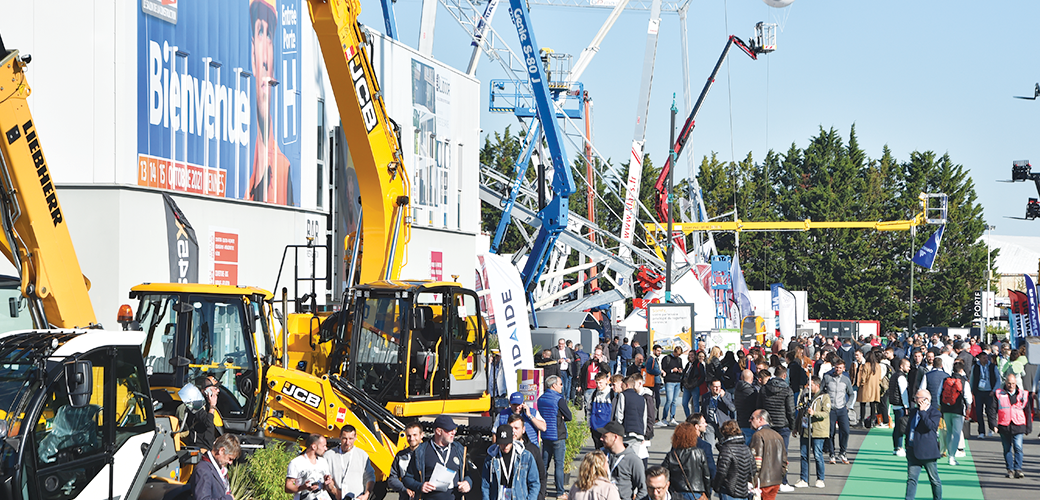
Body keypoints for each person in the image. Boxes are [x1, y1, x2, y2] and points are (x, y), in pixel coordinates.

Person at [249, 0, 293, 205]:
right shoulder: (244, 174)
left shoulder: (284, 170)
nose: (265, 58)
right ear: (252, 54)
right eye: (260, 32)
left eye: (269, 35)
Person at [401, 416, 474, 500]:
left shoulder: (459, 449)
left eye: (454, 429)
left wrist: (468, 483)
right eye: (449, 430)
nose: (453, 432)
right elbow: (407, 478)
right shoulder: (421, 451)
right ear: (438, 431)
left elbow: (467, 474)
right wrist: (420, 486)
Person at [756, 365, 794, 491]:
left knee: (767, 453)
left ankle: (767, 480)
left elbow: (759, 407)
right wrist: (793, 426)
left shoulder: (764, 389)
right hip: (783, 425)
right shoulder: (787, 390)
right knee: (783, 454)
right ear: (784, 376)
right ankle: (783, 481)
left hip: (768, 425)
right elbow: (790, 411)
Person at [481, 425, 540, 500]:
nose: (504, 446)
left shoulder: (526, 456)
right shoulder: (491, 459)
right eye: (501, 443)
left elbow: (534, 483)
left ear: (512, 440)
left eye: (507, 443)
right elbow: (485, 485)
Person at [991, 373, 1032, 478]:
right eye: (1009, 383)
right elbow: (992, 410)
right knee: (1007, 449)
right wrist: (993, 424)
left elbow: (1028, 412)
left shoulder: (1023, 394)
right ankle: (1010, 470)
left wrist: (1028, 427)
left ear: (1016, 383)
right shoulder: (999, 394)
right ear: (1005, 382)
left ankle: (1018, 469)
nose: (1011, 385)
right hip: (1004, 425)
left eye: (1013, 383)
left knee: (1018, 448)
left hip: (1019, 425)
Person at [538, 375, 572, 497]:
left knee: (544, 464)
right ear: (554, 385)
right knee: (559, 464)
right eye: (560, 384)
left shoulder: (541, 399)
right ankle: (560, 492)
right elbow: (569, 416)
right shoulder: (558, 399)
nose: (562, 387)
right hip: (558, 434)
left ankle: (542, 490)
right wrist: (561, 416)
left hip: (545, 434)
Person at [904, 390, 942, 500]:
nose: (915, 399)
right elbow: (909, 428)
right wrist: (907, 444)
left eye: (917, 397)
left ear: (925, 399)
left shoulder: (934, 413)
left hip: (927, 452)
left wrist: (923, 412)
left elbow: (930, 427)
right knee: (911, 479)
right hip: (912, 450)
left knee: (934, 480)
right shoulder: (913, 411)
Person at [794, 376, 829, 489]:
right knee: (804, 455)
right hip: (805, 429)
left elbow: (826, 413)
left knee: (818, 455)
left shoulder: (824, 397)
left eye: (811, 385)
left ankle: (820, 478)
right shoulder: (804, 396)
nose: (808, 387)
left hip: (818, 430)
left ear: (817, 385)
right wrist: (796, 427)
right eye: (808, 385)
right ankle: (804, 478)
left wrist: (815, 413)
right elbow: (800, 413)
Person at [597, 421, 647, 500]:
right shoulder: (601, 455)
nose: (601, 438)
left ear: (615, 437)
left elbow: (643, 489)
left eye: (605, 436)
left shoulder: (633, 460)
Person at [660, 422, 711, 500]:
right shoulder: (699, 453)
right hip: (696, 492)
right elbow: (706, 476)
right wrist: (707, 493)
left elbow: (663, 474)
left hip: (677, 493)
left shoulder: (672, 455)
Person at [327, 425, 375, 500]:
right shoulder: (329, 455)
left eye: (351, 439)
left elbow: (370, 477)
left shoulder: (362, 455)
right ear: (340, 437)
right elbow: (325, 478)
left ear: (355, 438)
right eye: (344, 438)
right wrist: (335, 491)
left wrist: (366, 495)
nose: (347, 442)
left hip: (356, 497)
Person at [748, 410, 787, 500]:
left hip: (762, 482)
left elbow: (756, 461)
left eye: (752, 418)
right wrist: (780, 476)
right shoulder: (778, 435)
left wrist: (753, 481)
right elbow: (784, 461)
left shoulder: (758, 435)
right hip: (776, 481)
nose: (750, 420)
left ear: (761, 419)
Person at [938, 360, 971, 465]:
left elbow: (939, 394)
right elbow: (968, 398)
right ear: (961, 370)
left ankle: (948, 453)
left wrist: (941, 407)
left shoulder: (945, 380)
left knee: (949, 432)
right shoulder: (964, 381)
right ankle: (952, 456)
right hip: (958, 409)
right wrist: (968, 408)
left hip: (946, 409)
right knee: (956, 433)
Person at [712, 420, 755, 500]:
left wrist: (716, 486)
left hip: (729, 490)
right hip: (743, 490)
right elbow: (753, 469)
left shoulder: (727, 449)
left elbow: (721, 472)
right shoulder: (746, 448)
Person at [190, 434, 241, 500]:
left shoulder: (219, 469)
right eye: (230, 458)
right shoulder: (203, 470)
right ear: (221, 451)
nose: (230, 463)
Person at [822, 358, 853, 464]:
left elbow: (851, 393)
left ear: (844, 369)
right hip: (830, 409)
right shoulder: (827, 378)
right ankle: (832, 454)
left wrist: (848, 405)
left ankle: (842, 452)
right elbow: (821, 391)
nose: (838, 369)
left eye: (840, 368)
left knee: (846, 431)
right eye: (836, 367)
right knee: (830, 433)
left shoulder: (845, 379)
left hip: (842, 409)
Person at [509, 415, 547, 500]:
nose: (513, 431)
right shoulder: (503, 450)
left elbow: (542, 476)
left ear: (523, 430)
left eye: (516, 428)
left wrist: (540, 496)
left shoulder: (532, 449)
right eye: (511, 428)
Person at [286, 434, 335, 500]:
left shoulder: (323, 462)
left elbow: (330, 487)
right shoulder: (296, 462)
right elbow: (287, 487)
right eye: (323, 446)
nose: (326, 448)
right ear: (314, 446)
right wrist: (302, 487)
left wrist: (328, 482)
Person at [389, 423, 425, 500]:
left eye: (415, 435)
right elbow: (392, 478)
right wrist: (404, 489)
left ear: (422, 435)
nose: (411, 438)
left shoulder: (428, 454)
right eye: (409, 435)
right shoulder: (400, 455)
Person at [971, 351, 1000, 438]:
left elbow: (998, 379)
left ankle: (991, 428)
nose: (986, 359)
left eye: (987, 358)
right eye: (984, 358)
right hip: (979, 391)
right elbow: (972, 378)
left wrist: (994, 390)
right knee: (979, 412)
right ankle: (981, 432)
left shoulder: (992, 367)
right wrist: (972, 390)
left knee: (990, 411)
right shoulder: (975, 367)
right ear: (979, 358)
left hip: (989, 391)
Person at [700, 379, 735, 447]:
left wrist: (723, 397)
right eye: (715, 386)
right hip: (710, 424)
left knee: (724, 447)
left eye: (719, 386)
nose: (717, 389)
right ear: (710, 387)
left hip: (722, 424)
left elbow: (732, 408)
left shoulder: (727, 395)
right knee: (708, 446)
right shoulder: (706, 397)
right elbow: (703, 411)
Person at [889, 358, 911, 457]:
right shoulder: (901, 377)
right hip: (900, 405)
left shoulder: (894, 376)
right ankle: (899, 447)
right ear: (901, 366)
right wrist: (906, 406)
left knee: (898, 426)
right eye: (907, 366)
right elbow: (903, 393)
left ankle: (896, 447)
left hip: (894, 404)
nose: (909, 368)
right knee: (901, 427)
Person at [685, 413, 716, 480]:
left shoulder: (678, 443)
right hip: (700, 484)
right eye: (703, 423)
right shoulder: (705, 446)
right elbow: (711, 468)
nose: (706, 424)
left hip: (680, 484)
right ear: (696, 426)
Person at [734, 369, 759, 445]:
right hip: (749, 421)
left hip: (740, 420)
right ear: (752, 379)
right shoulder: (751, 391)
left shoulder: (737, 389)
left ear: (741, 377)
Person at [662, 346, 686, 426]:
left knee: (674, 401)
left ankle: (672, 417)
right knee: (669, 400)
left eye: (679, 355)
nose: (678, 356)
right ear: (674, 352)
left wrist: (680, 370)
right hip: (669, 381)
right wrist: (672, 370)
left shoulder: (679, 360)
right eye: (677, 354)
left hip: (677, 381)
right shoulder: (667, 358)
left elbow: (681, 368)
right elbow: (663, 369)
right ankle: (664, 418)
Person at [588, 373, 614, 444]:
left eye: (600, 383)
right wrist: (589, 424)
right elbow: (589, 409)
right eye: (597, 383)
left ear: (606, 381)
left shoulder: (611, 394)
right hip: (595, 427)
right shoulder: (594, 394)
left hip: (607, 428)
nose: (598, 385)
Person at [681, 350, 706, 418]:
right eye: (689, 355)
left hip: (694, 386)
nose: (691, 356)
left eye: (692, 355)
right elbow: (685, 374)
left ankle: (696, 419)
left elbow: (703, 376)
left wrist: (697, 384)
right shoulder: (687, 364)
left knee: (696, 404)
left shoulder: (698, 364)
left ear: (695, 356)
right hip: (687, 386)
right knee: (684, 403)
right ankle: (688, 418)